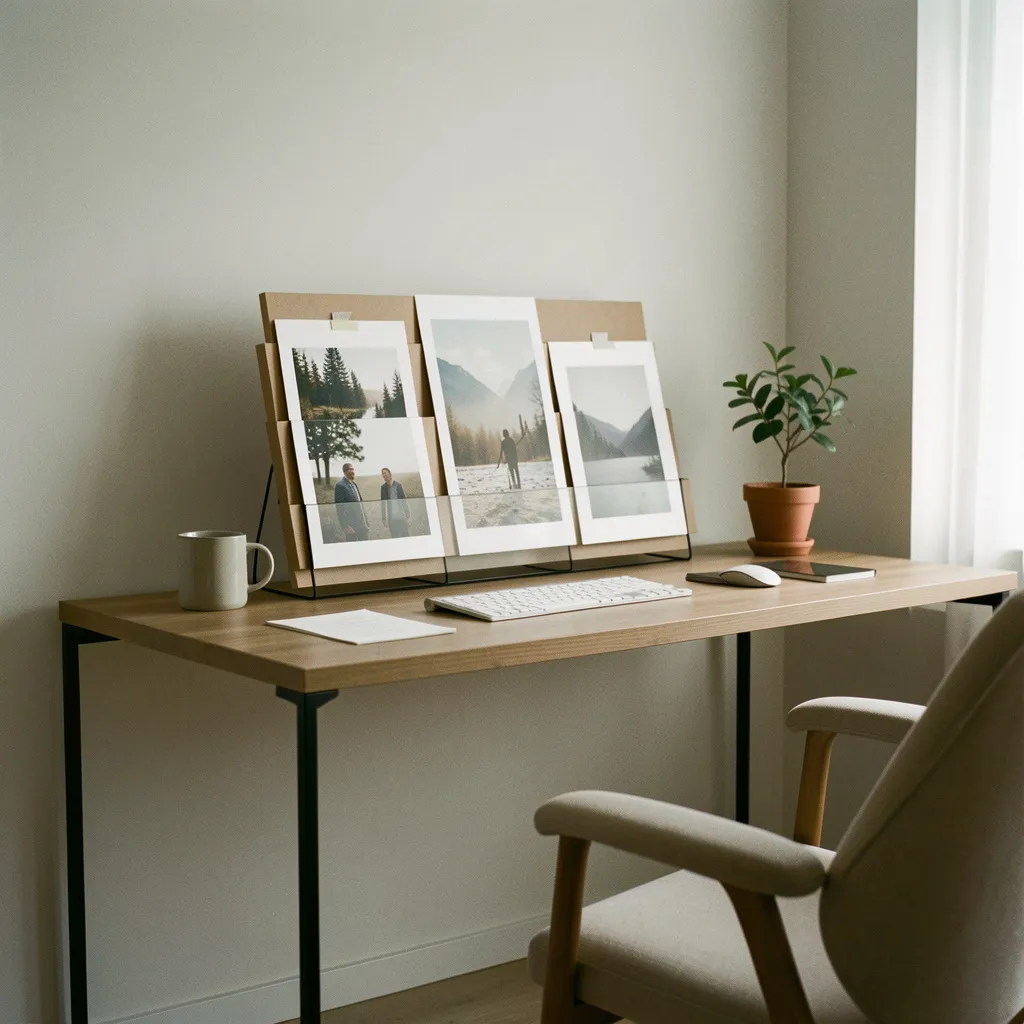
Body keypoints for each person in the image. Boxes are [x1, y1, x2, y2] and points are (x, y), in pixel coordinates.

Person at [334, 463, 369, 541]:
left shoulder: (354, 484)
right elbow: (339, 508)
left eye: (353, 469)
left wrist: (366, 521)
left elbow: (360, 504)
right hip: (351, 526)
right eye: (350, 469)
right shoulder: (340, 485)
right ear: (344, 472)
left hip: (362, 524)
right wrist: (345, 526)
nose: (352, 471)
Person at [380, 467, 410, 538]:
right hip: (392, 519)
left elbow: (404, 500)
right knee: (395, 537)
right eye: (383, 474)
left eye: (385, 473)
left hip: (402, 517)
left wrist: (407, 515)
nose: (384, 475)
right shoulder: (383, 488)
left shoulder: (398, 485)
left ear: (390, 474)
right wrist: (383, 518)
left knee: (406, 536)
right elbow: (383, 504)